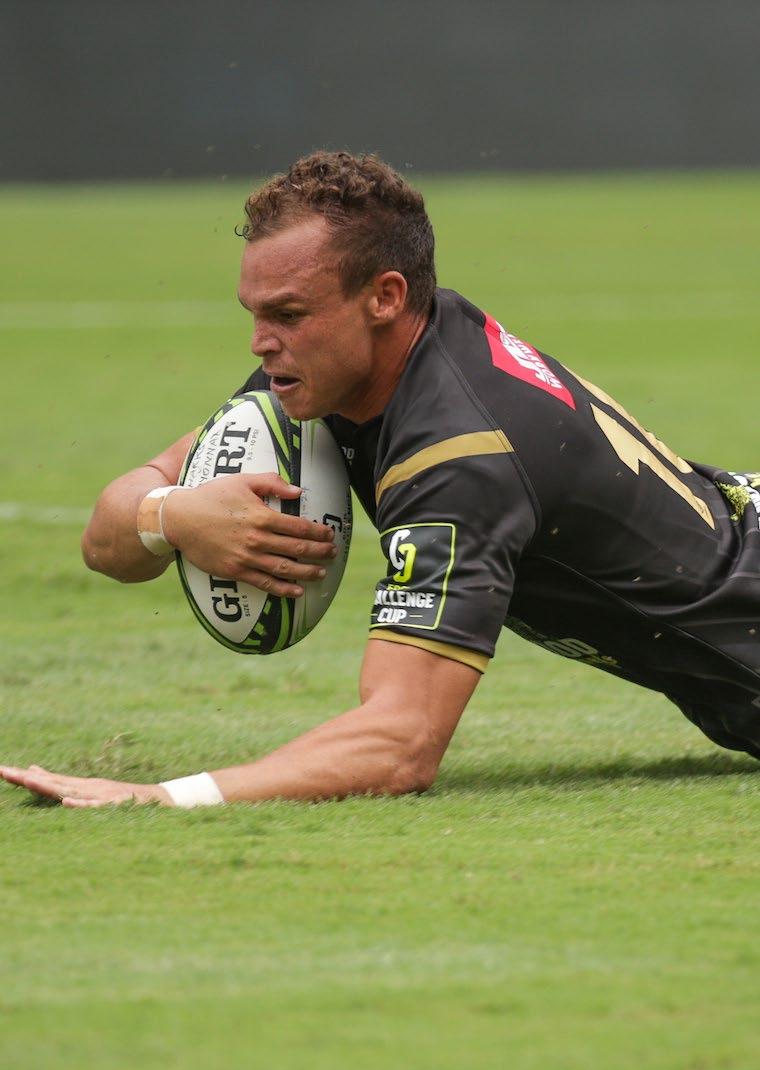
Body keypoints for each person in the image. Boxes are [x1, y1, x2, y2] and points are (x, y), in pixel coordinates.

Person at [3, 151, 760, 809]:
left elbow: (401, 742)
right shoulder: (352, 363)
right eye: (254, 314)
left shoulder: (460, 455)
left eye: (288, 313)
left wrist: (163, 796)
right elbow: (105, 539)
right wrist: (171, 515)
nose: (261, 343)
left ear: (386, 297)